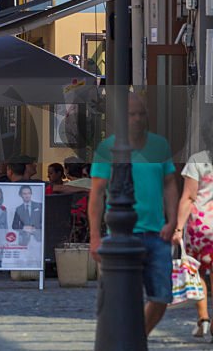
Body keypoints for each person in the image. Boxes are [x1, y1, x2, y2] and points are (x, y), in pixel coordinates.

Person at [89, 92, 178, 337]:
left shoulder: (159, 145)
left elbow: (170, 183)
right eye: (132, 115)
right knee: (118, 298)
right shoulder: (108, 148)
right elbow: (96, 194)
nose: (138, 119)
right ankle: (128, 342)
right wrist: (95, 237)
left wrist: (173, 220)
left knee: (161, 297)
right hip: (120, 236)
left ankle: (136, 339)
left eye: (141, 114)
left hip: (157, 234)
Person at [176, 132, 213, 339]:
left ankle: (203, 319)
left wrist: (178, 228)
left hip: (200, 228)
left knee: (198, 273)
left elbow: (189, 197)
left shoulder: (197, 160)